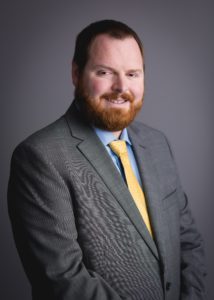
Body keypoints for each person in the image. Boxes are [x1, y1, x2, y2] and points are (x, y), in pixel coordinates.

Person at [8, 20, 206, 300]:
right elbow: (64, 280)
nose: (121, 87)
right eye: (105, 72)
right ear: (76, 73)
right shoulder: (40, 157)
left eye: (133, 74)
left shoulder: (157, 144)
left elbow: (188, 243)